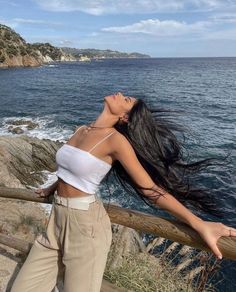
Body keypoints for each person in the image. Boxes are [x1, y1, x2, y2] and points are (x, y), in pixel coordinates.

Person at [11, 92, 235, 292]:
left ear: (125, 118)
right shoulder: (82, 129)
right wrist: (52, 187)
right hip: (56, 222)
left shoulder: (116, 141)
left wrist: (198, 223)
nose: (119, 93)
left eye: (126, 99)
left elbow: (150, 189)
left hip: (85, 228)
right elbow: (69, 168)